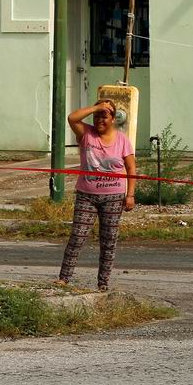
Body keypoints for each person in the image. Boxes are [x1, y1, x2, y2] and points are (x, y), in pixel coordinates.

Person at [56, 99, 135, 291]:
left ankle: (103, 283)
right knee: (77, 236)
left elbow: (131, 168)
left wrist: (130, 195)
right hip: (87, 196)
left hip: (113, 197)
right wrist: (97, 107)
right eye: (97, 116)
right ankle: (64, 278)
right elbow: (72, 118)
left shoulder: (123, 140)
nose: (100, 120)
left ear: (113, 119)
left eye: (104, 116)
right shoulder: (86, 134)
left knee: (108, 240)